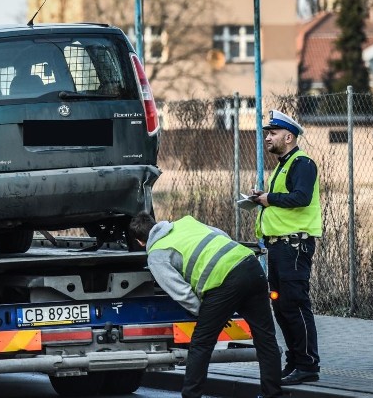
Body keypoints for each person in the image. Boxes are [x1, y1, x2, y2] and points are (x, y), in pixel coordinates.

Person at [129, 212, 282, 398]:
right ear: (155, 223)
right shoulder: (185, 222)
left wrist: (205, 312)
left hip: (223, 283)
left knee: (201, 344)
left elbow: (181, 292)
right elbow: (221, 236)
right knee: (266, 338)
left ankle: (191, 395)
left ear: (140, 242)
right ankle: (272, 394)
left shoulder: (156, 254)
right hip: (249, 264)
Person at [250, 110, 322, 385]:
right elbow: (285, 198)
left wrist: (270, 198)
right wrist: (263, 199)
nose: (268, 138)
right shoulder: (285, 163)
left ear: (288, 137)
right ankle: (295, 361)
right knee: (281, 306)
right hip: (280, 248)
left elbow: (301, 197)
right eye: (268, 133)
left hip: (294, 246)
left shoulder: (302, 163)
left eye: (273, 134)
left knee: (295, 304)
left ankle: (307, 364)